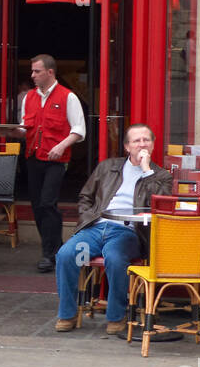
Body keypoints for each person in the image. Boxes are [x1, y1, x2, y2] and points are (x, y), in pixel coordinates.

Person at [54, 124, 172, 333]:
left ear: (153, 145)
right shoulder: (108, 167)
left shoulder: (161, 176)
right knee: (67, 254)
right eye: (136, 141)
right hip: (95, 229)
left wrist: (146, 171)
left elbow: (162, 204)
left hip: (127, 232)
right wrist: (87, 217)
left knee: (115, 258)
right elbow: (85, 197)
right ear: (127, 146)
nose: (142, 144)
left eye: (146, 140)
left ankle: (116, 317)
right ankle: (67, 314)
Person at [19, 53, 85, 273]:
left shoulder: (68, 97)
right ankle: (51, 249)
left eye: (37, 71)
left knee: (48, 203)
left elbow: (78, 130)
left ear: (50, 72)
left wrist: (61, 146)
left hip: (56, 160)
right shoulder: (29, 97)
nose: (33, 75)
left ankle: (51, 252)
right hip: (32, 157)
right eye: (32, 71)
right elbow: (24, 127)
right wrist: (11, 132)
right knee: (38, 206)